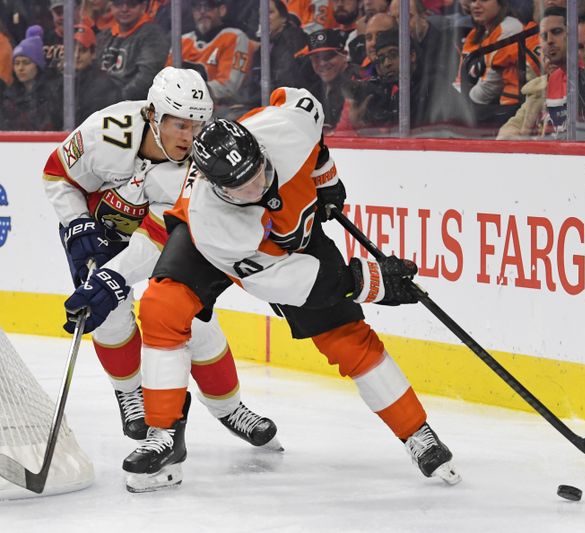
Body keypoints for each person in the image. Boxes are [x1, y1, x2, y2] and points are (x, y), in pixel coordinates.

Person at [110, 87, 461, 491]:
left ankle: (417, 433)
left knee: (347, 339)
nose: (256, 188)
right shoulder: (217, 221)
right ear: (215, 185)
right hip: (223, 251)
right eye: (239, 188)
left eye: (257, 172)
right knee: (162, 306)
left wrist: (324, 175)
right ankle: (164, 436)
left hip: (296, 239)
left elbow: (301, 108)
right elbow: (294, 283)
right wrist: (373, 282)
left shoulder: (285, 127)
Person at [44, 67, 282, 492]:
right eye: (180, 124)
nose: (190, 136)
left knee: (196, 323)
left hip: (157, 239)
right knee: (110, 316)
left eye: (198, 124)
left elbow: (157, 236)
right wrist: (77, 224)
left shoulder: (202, 167)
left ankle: (229, 409)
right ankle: (129, 393)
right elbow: (57, 174)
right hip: (93, 231)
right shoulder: (108, 130)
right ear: (153, 114)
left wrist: (115, 275)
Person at [453, 0, 540, 127]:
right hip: (484, 104)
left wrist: (461, 105)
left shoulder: (509, 28)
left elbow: (489, 88)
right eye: (472, 1)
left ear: (501, 3)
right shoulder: (477, 33)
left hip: (511, 108)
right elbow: (461, 80)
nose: (476, 5)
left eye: (483, 0)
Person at [175, 0, 256, 117]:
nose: (202, 12)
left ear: (221, 10)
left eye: (208, 7)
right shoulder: (182, 41)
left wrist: (189, 93)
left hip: (225, 108)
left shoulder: (235, 37)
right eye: (197, 7)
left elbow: (229, 87)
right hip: (185, 106)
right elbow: (166, 80)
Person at [497, 6, 567, 139]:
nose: (550, 40)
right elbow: (509, 130)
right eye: (544, 36)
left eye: (557, 32)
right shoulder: (537, 89)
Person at [97, 0, 169, 100]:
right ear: (111, 6)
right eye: (118, 4)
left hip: (135, 107)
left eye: (132, 4)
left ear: (143, 7)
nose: (124, 9)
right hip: (101, 103)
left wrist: (114, 101)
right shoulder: (104, 35)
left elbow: (146, 79)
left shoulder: (153, 35)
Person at [2, 25, 62, 131]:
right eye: (16, 63)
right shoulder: (10, 94)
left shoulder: (52, 92)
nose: (20, 68)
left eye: (26, 63)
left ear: (37, 65)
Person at [301, 29, 358, 130]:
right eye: (316, 58)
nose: (322, 63)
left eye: (328, 56)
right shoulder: (314, 91)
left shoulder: (357, 83)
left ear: (344, 55)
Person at [72, 24, 121, 125]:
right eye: (71, 51)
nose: (76, 56)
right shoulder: (62, 80)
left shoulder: (103, 85)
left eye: (82, 51)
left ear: (93, 53)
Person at [267, 0, 319, 92]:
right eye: (261, 14)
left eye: (270, 12)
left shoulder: (293, 39)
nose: (264, 18)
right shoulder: (267, 43)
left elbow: (288, 80)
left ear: (283, 17)